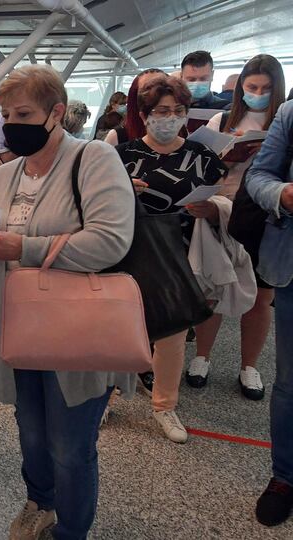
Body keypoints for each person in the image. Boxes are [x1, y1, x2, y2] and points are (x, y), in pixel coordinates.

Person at [0, 65, 135, 540]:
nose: (10, 122)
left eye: (23, 112)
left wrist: (25, 248)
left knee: (70, 443)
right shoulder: (4, 175)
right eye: (4, 113)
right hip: (19, 324)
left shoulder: (94, 158)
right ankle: (39, 502)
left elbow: (111, 241)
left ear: (56, 112)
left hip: (74, 326)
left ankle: (72, 529)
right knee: (32, 431)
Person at [115, 75, 227, 443]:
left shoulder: (204, 158)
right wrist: (120, 190)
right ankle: (106, 395)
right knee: (118, 329)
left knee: (173, 334)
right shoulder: (122, 156)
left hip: (178, 253)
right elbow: (94, 202)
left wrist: (210, 208)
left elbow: (224, 204)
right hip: (128, 250)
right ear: (145, 115)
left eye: (178, 111)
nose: (171, 117)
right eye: (162, 111)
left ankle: (164, 404)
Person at [188, 54, 287, 400]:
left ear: (277, 90)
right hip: (222, 209)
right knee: (213, 288)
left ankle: (249, 365)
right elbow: (201, 165)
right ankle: (202, 356)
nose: (257, 93)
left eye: (265, 88)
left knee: (262, 296)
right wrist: (231, 156)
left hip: (264, 214)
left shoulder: (282, 122)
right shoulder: (221, 119)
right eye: (251, 87)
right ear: (241, 88)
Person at [245, 98, 293, 529]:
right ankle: (284, 478)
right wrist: (284, 193)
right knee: (290, 383)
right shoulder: (291, 113)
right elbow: (259, 176)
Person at [104, 69, 165, 146]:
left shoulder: (180, 130)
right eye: (147, 90)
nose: (156, 96)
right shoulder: (117, 137)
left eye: (163, 89)